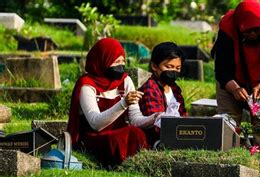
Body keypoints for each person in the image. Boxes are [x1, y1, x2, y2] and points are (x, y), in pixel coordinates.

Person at [67, 38, 155, 166]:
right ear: (103, 61)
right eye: (116, 62)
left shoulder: (125, 81)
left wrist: (155, 118)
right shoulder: (86, 85)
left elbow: (135, 119)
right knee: (117, 139)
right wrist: (123, 103)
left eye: (123, 61)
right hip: (94, 137)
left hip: (120, 133)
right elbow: (95, 123)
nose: (121, 66)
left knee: (137, 133)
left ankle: (138, 165)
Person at [212, 0, 260, 124]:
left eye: (258, 30)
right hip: (232, 80)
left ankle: (259, 144)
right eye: (247, 31)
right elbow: (222, 70)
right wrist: (235, 89)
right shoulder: (227, 29)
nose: (253, 34)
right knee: (229, 118)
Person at [138, 42, 187, 145]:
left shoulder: (175, 89)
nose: (173, 71)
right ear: (154, 66)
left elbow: (183, 116)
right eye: (169, 67)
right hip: (159, 139)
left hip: (179, 135)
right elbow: (156, 124)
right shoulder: (150, 89)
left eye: (177, 68)